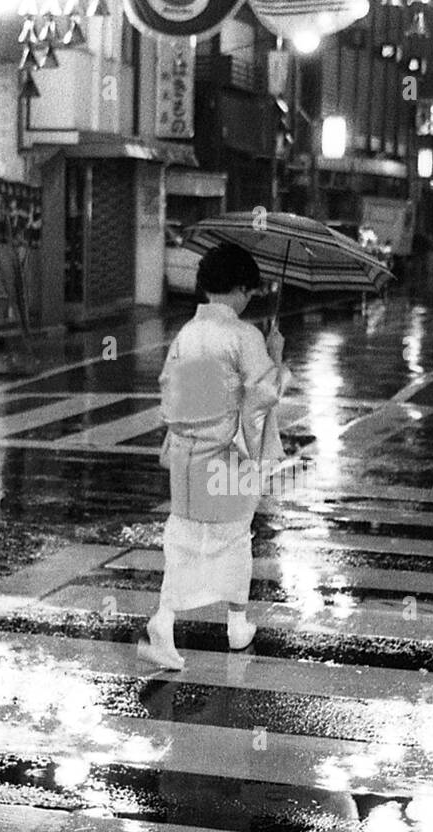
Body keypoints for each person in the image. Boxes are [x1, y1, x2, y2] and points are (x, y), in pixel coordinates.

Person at [138, 244, 290, 670]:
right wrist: (276, 356)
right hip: (228, 456)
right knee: (236, 540)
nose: (249, 299)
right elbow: (263, 395)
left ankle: (164, 622)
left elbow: (171, 390)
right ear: (240, 289)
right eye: (249, 291)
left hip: (186, 459)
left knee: (183, 544)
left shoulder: (188, 334)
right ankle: (236, 624)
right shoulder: (244, 336)